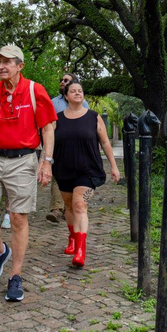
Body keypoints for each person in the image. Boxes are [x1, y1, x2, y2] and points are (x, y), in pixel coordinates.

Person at [0, 44, 57, 302]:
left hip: (23, 160)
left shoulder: (34, 90)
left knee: (18, 218)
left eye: (7, 62)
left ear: (20, 66)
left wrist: (46, 162)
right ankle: (0, 251)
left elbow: (48, 129)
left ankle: (15, 276)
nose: (1, 66)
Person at [53, 80, 120, 267]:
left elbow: (105, 142)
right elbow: (48, 143)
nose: (77, 93)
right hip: (64, 169)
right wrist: (45, 164)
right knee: (69, 206)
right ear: (66, 96)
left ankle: (80, 251)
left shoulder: (93, 117)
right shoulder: (57, 119)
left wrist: (114, 166)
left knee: (80, 205)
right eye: (73, 91)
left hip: (88, 169)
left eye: (80, 91)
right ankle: (73, 239)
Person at [47, 72, 89, 223]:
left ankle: (69, 208)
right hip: (58, 145)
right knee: (57, 177)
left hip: (77, 148)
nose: (62, 82)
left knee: (74, 177)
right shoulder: (53, 102)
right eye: (61, 80)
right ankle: (56, 209)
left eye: (66, 80)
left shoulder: (83, 103)